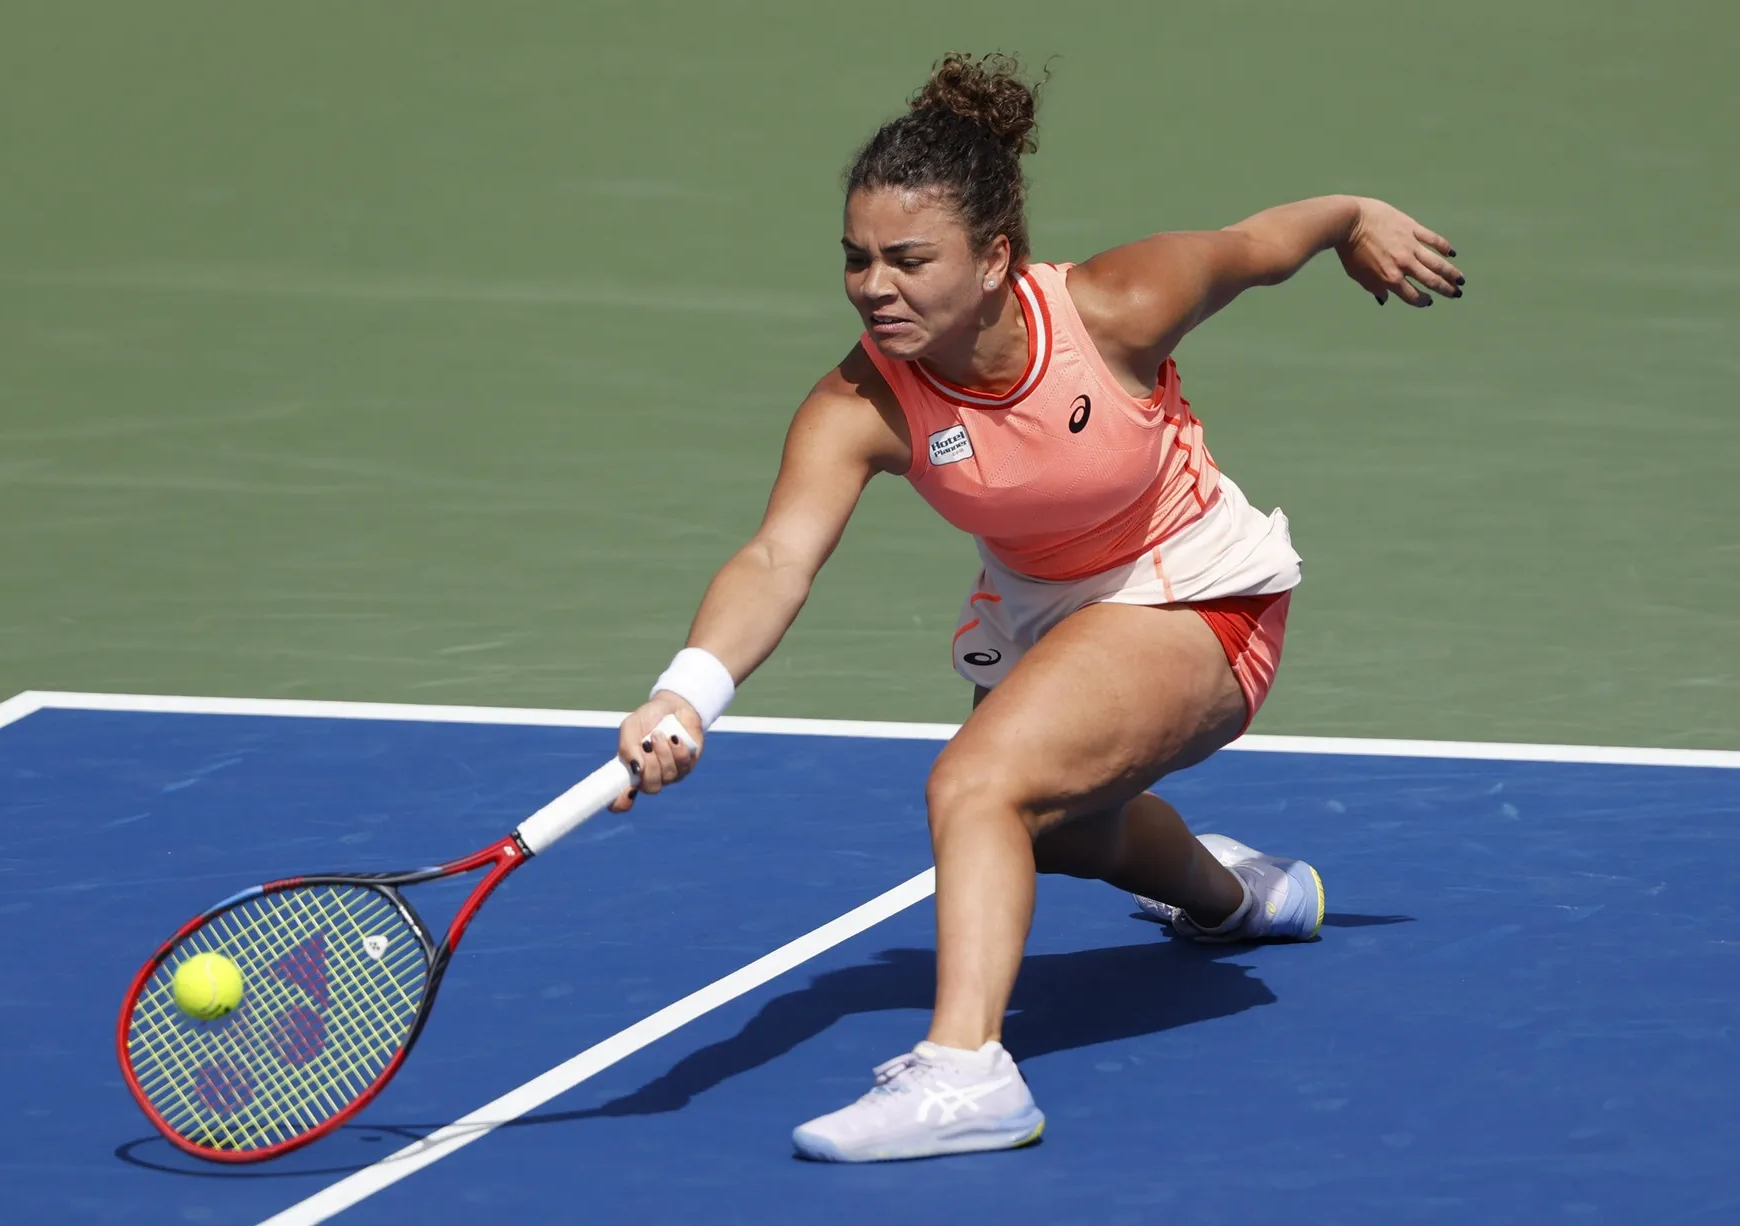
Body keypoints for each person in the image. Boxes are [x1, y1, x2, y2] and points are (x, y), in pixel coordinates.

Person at [610, 52, 1464, 1163]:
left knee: (978, 782)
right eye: (856, 259)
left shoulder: (1114, 304)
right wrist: (684, 693)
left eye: (909, 260)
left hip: (1198, 593)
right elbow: (776, 556)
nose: (876, 286)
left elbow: (1258, 244)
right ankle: (1237, 894)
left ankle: (967, 1072)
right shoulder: (857, 401)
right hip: (1045, 618)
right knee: (1061, 833)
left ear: (994, 256)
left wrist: (1355, 212)